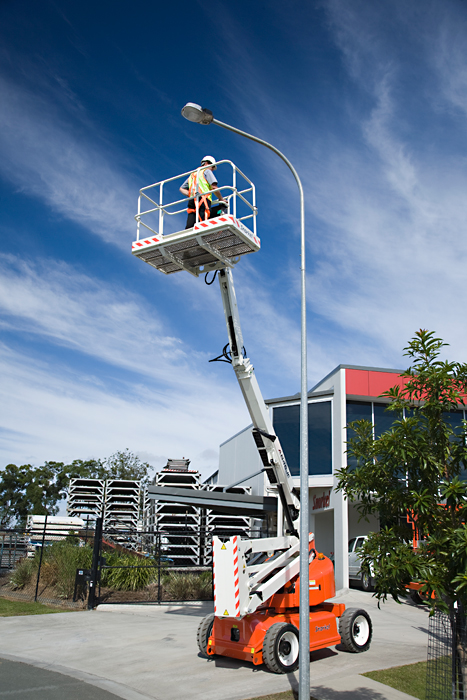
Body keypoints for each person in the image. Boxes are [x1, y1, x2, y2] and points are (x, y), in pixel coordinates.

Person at [180, 156, 226, 229]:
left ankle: (190, 237)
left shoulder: (193, 174)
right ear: (207, 163)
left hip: (193, 200)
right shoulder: (207, 171)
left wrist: (191, 194)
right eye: (212, 167)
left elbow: (181, 189)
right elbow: (214, 187)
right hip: (203, 200)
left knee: (190, 224)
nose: (212, 169)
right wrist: (221, 199)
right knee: (202, 223)